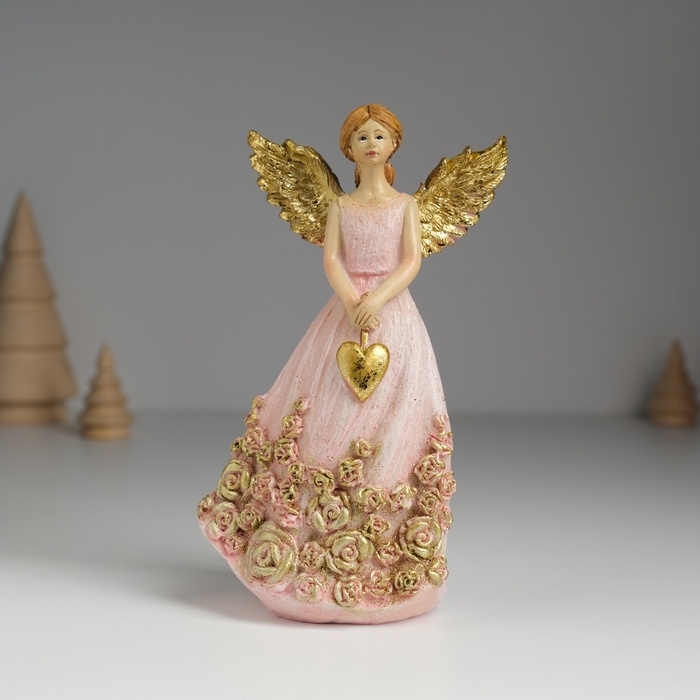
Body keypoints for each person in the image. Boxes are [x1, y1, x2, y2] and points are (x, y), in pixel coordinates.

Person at [198, 105, 456, 623]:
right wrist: (351, 297)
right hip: (346, 315)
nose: (371, 143)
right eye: (361, 136)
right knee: (324, 412)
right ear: (348, 147)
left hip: (392, 316)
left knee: (397, 417)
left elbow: (411, 260)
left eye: (379, 135)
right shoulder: (340, 205)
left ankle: (384, 556)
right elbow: (332, 257)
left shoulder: (406, 205)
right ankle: (309, 540)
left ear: (394, 144)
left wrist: (377, 298)